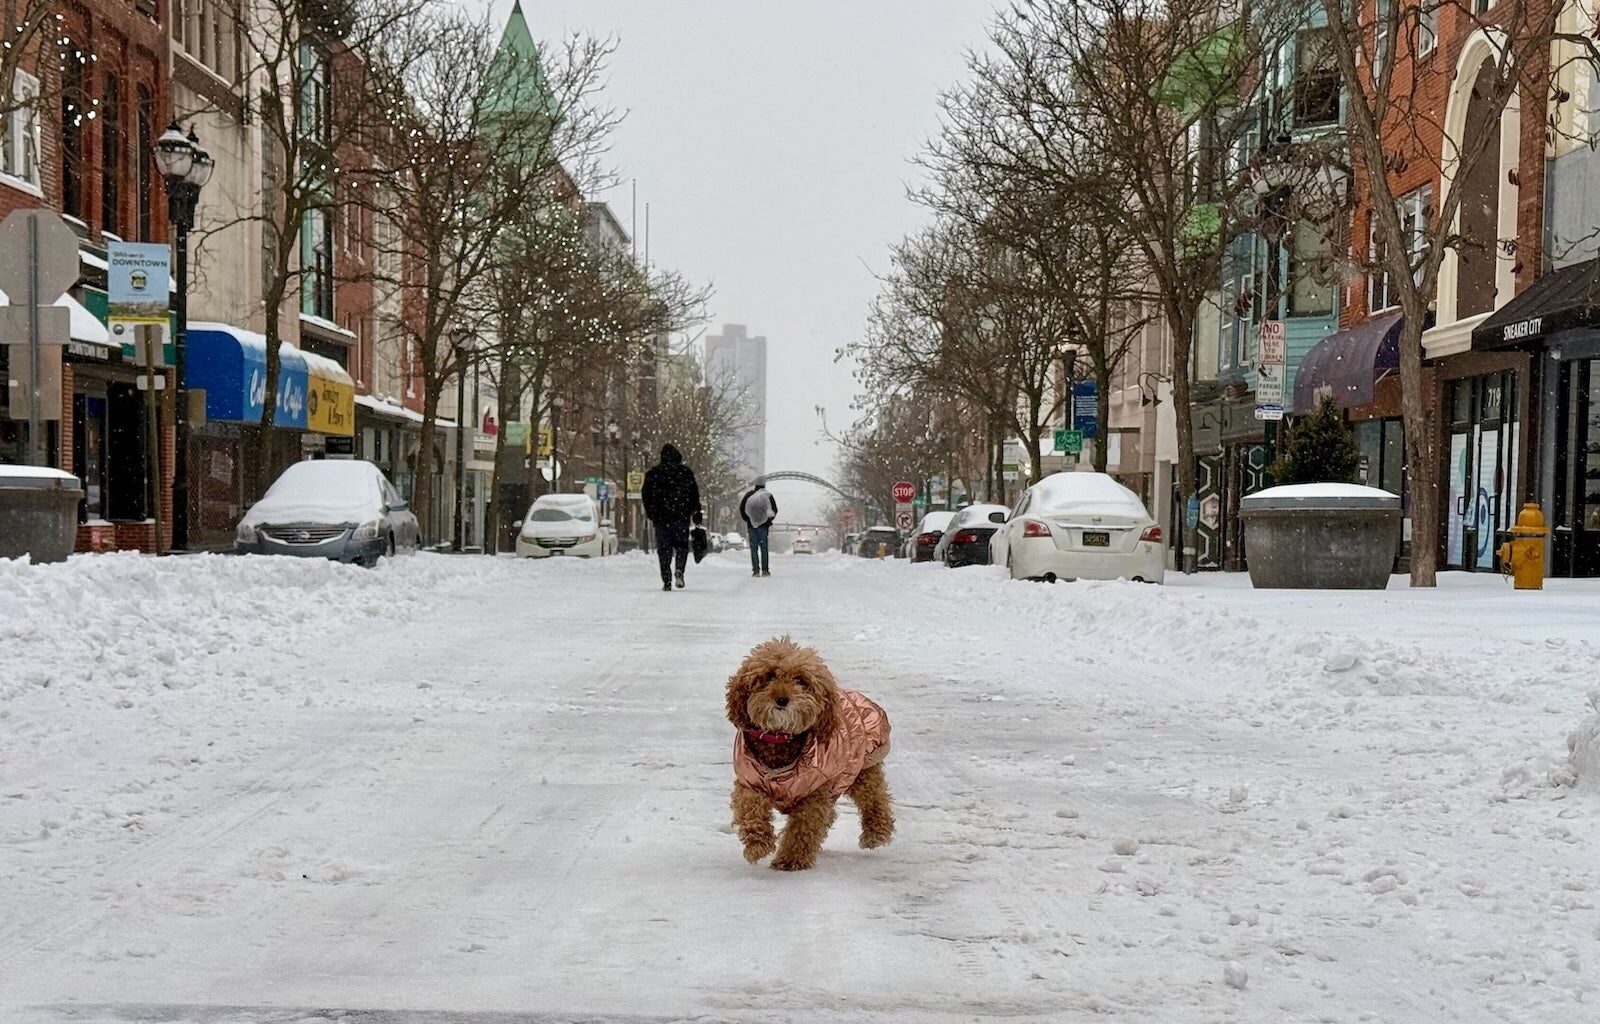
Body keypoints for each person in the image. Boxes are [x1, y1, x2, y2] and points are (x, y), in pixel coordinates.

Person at [642, 443, 701, 591]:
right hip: (681, 517)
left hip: (661, 518)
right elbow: (694, 494)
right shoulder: (685, 473)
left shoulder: (654, 474)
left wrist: (651, 512)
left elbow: (646, 495)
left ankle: (666, 579)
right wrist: (696, 511)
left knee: (664, 549)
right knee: (681, 546)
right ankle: (679, 568)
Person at [739, 479, 778, 577]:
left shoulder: (749, 495)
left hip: (751, 526)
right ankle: (765, 570)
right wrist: (768, 520)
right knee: (764, 548)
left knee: (754, 548)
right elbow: (774, 510)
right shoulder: (767, 495)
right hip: (764, 527)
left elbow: (742, 508)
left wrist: (748, 519)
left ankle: (755, 570)